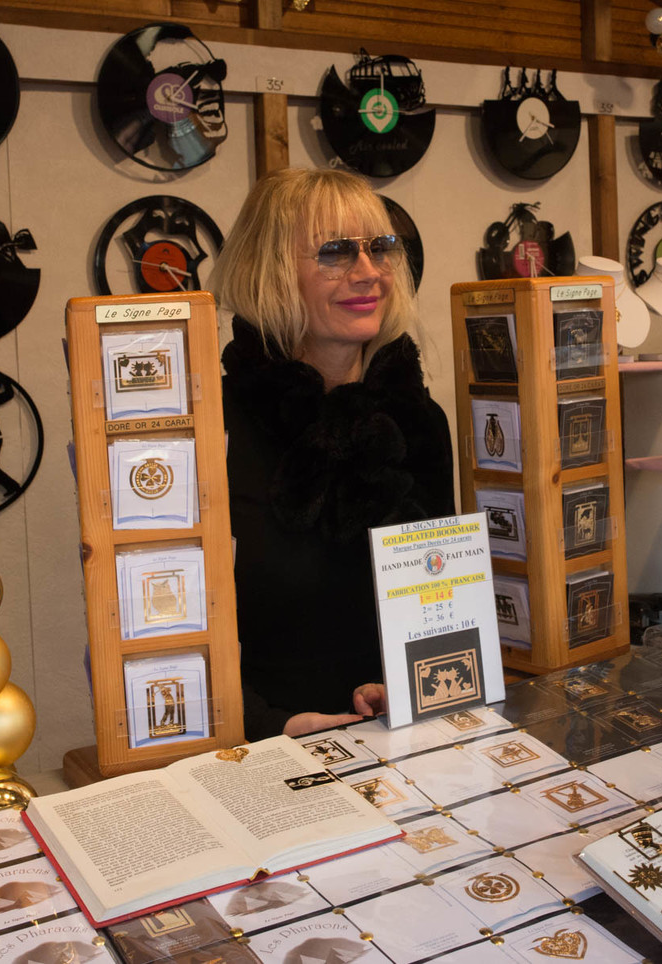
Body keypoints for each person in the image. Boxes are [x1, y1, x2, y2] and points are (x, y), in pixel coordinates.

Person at [211, 168, 454, 740]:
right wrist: (270, 725)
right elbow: (172, 630)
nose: (368, 272)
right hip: (253, 751)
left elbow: (438, 600)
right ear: (268, 271)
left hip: (398, 744)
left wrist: (410, 682)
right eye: (336, 252)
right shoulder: (211, 429)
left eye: (380, 248)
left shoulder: (418, 421)